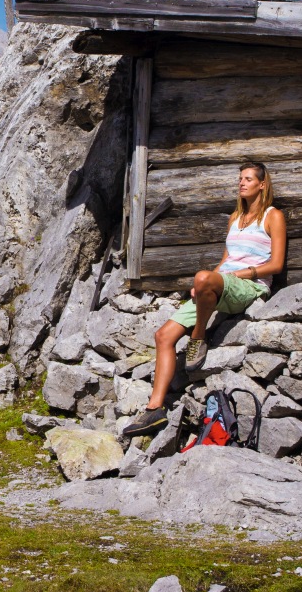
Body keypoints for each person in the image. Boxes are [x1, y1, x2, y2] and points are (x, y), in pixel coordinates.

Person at [121, 161, 288, 439]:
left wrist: (236, 274)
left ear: (262, 184)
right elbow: (226, 259)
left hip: (251, 286)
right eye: (240, 179)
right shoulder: (235, 218)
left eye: (248, 179)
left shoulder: (273, 216)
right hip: (225, 282)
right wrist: (207, 282)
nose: (242, 183)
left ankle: (199, 337)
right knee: (163, 336)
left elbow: (277, 264)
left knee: (203, 277)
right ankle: (155, 409)